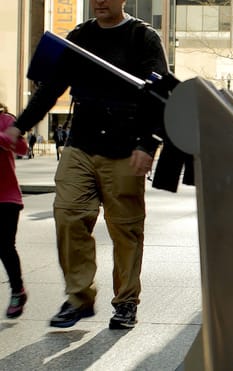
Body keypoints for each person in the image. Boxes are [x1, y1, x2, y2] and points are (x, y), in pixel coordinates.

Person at [6, 0, 169, 330]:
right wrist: (20, 125)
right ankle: (79, 296)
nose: (99, 1)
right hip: (81, 145)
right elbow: (51, 88)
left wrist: (148, 144)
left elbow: (161, 93)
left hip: (125, 148)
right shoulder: (79, 37)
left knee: (126, 231)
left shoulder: (142, 38)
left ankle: (125, 303)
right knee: (67, 215)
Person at [0, 102, 28, 318]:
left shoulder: (6, 120)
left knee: (5, 246)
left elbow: (22, 148)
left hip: (6, 198)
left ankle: (17, 290)